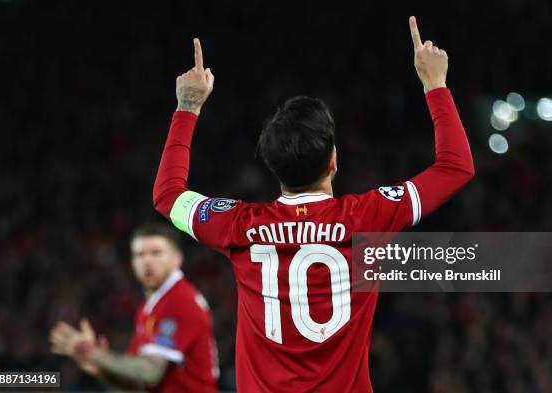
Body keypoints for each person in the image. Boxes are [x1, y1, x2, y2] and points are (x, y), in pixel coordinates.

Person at [153, 16, 474, 392]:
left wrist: (187, 107)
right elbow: (456, 167)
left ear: (273, 168)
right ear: (334, 161)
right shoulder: (368, 217)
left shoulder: (240, 225)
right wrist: (435, 84)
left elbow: (168, 194)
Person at [49, 223, 219, 393]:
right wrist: (100, 365)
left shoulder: (179, 300)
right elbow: (136, 384)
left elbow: (150, 372)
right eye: (139, 255)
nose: (147, 261)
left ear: (177, 258)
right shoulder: (150, 307)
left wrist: (93, 353)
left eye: (156, 253)